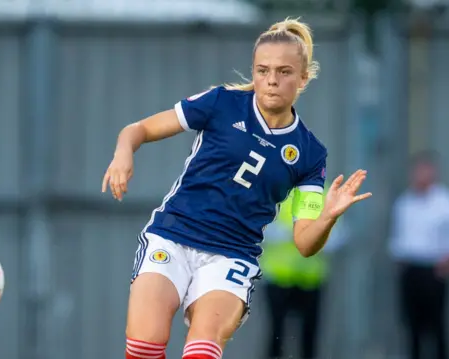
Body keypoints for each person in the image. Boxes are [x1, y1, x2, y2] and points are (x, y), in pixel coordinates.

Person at [102, 18, 372, 359]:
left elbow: (305, 243)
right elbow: (137, 129)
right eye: (263, 70)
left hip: (231, 256)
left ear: (304, 78)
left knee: (200, 351)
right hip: (172, 236)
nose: (272, 80)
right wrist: (124, 154)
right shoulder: (221, 103)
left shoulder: (309, 153)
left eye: (284, 71)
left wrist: (328, 217)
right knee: (144, 347)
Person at [388, 151, 449, 359]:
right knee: (412, 326)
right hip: (411, 269)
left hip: (435, 270)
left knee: (437, 326)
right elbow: (399, 238)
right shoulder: (404, 203)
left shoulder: (448, 203)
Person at [261, 188, 350, 359]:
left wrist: (314, 237)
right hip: (279, 277)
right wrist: (290, 234)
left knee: (309, 337)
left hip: (311, 278)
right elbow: (259, 227)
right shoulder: (275, 188)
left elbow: (339, 234)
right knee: (276, 334)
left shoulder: (326, 193)